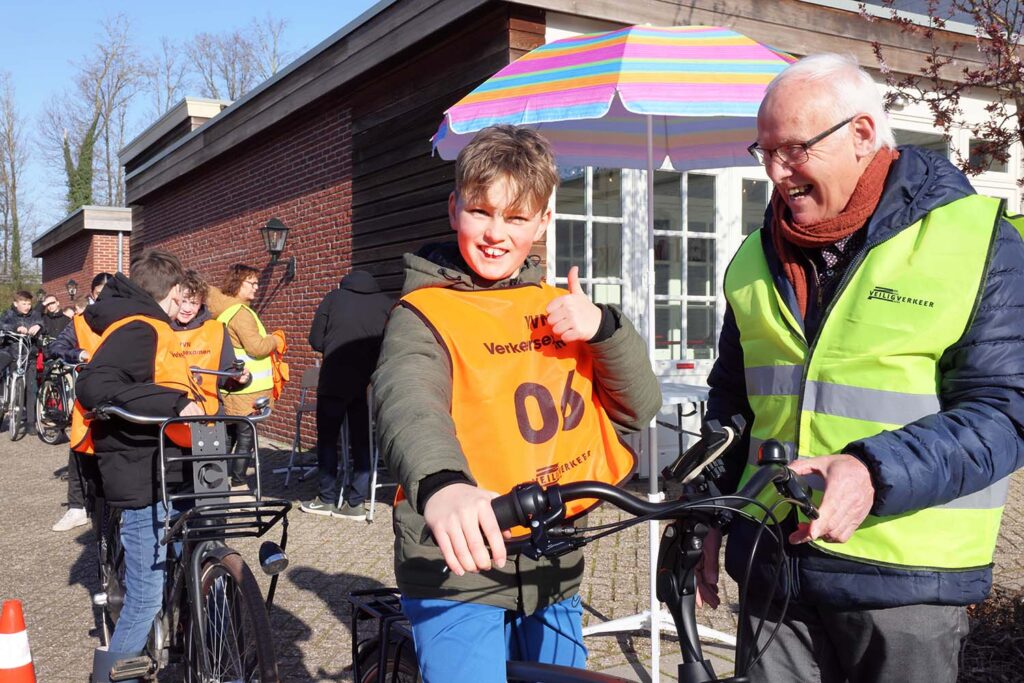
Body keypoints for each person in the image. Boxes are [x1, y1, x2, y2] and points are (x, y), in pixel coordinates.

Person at [698, 53, 1024, 683]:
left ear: (864, 134)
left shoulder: (979, 238)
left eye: (793, 149)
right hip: (774, 572)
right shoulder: (752, 257)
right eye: (762, 151)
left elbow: (1006, 411)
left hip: (904, 585)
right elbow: (733, 403)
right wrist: (711, 512)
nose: (774, 172)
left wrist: (872, 471)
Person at [372, 125, 661, 682]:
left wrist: (604, 330)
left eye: (517, 217)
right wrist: (442, 483)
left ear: (544, 222)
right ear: (454, 209)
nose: (495, 234)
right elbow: (407, 399)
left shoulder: (564, 308)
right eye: (481, 212)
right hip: (458, 563)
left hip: (555, 557)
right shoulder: (422, 313)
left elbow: (639, 408)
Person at [75, 252, 206, 681]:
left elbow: (146, 380)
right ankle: (110, 677)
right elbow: (95, 385)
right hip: (142, 473)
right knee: (145, 600)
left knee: (172, 561)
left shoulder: (143, 325)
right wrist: (176, 403)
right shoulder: (142, 327)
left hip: (159, 465)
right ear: (169, 294)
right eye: (180, 299)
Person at [300, 270, 392, 519]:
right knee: (362, 441)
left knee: (328, 441)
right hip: (365, 384)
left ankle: (327, 498)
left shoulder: (333, 298)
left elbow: (316, 340)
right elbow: (390, 344)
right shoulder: (386, 303)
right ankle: (356, 503)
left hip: (334, 380)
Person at [207, 265, 283, 488]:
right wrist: (276, 339)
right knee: (246, 434)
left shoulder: (225, 311)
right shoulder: (241, 313)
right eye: (252, 283)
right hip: (247, 387)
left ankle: (217, 479)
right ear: (238, 283)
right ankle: (239, 481)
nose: (257, 287)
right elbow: (257, 347)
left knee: (229, 431)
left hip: (231, 386)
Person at [49, 272, 112, 533]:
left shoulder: (131, 319)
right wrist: (79, 353)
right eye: (101, 291)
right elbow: (57, 347)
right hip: (90, 394)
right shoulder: (80, 321)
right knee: (79, 445)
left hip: (122, 393)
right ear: (93, 293)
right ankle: (77, 507)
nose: (106, 296)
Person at [171, 271, 250, 409]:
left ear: (201, 302)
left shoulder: (216, 330)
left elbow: (226, 374)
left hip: (209, 415)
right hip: (168, 415)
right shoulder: (160, 328)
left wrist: (239, 378)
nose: (187, 308)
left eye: (194, 302)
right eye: (183, 301)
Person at [0, 290, 44, 435]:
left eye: (29, 303)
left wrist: (39, 327)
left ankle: (31, 423)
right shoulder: (8, 314)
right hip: (11, 354)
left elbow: (43, 325)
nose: (26, 306)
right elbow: (2, 325)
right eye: (23, 303)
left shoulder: (35, 315)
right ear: (16, 303)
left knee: (31, 389)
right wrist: (15, 328)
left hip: (28, 356)